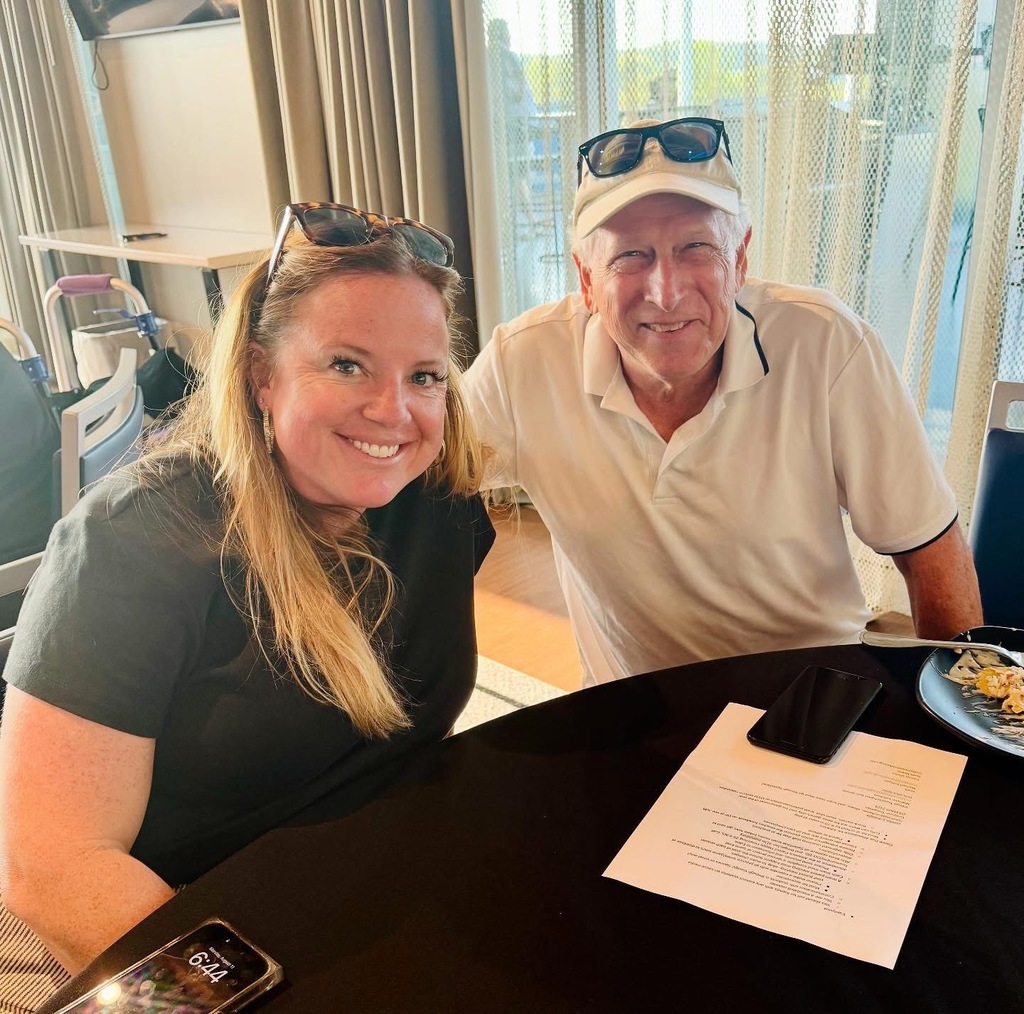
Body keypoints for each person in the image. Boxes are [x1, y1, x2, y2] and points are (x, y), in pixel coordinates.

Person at [0, 203, 494, 977]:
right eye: (347, 364)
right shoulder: (135, 541)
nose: (393, 412)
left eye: (423, 376)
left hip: (380, 890)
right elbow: (52, 871)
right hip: (195, 926)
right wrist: (233, 985)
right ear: (263, 376)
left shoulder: (436, 501)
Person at [463, 116, 982, 687]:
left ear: (739, 259)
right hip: (633, 712)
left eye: (695, 248)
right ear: (586, 278)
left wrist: (957, 723)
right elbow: (411, 480)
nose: (666, 293)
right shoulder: (522, 360)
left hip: (812, 698)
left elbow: (929, 548)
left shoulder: (829, 343)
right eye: (631, 255)